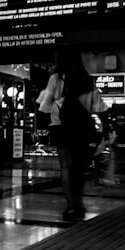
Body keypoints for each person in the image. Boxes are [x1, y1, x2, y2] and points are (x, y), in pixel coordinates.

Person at [36, 49, 112, 221]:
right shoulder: (87, 80)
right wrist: (106, 131)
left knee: (66, 167)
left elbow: (44, 107)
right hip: (83, 129)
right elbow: (100, 108)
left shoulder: (56, 78)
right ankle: (78, 202)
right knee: (78, 168)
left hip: (61, 128)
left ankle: (71, 205)